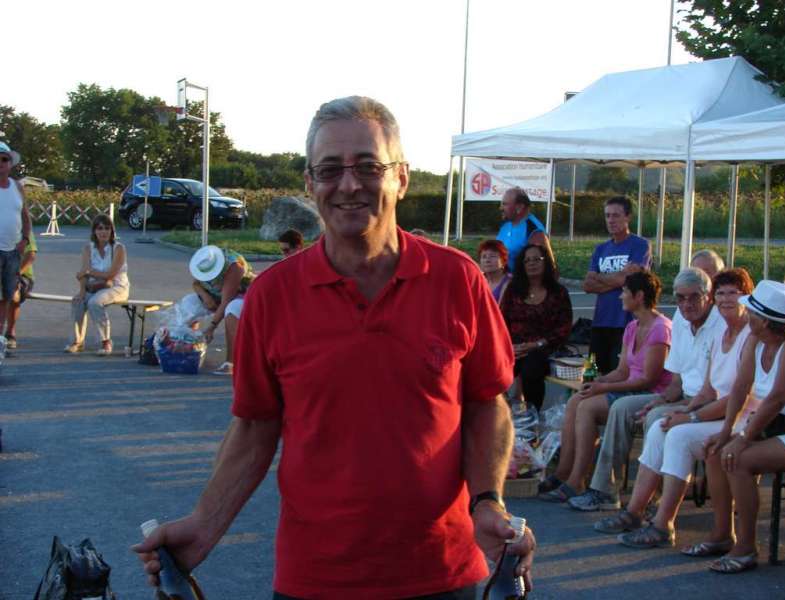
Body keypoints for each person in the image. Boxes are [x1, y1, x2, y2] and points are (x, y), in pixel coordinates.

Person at [135, 96, 535, 598]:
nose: (349, 184)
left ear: (402, 178)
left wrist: (489, 503)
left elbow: (485, 404)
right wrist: (205, 524)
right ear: (310, 183)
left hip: (442, 571)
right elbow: (256, 427)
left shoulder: (458, 280)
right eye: (329, 170)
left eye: (369, 166)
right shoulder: (272, 297)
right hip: (316, 577)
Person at [592, 269, 754, 548]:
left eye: (734, 294)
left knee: (676, 434)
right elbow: (707, 389)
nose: (726, 299)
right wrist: (676, 409)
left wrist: (689, 416)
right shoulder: (721, 334)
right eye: (722, 293)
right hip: (715, 409)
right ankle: (634, 511)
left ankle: (663, 523)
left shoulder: (749, 335)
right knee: (660, 426)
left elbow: (740, 398)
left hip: (743, 418)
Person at [567, 265, 724, 512]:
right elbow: (675, 381)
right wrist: (599, 384)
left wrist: (663, 402)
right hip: (676, 396)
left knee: (648, 417)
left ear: (708, 297)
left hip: (698, 401)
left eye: (694, 297)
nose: (686, 304)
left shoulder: (682, 327)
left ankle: (653, 498)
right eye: (681, 297)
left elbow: (650, 380)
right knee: (591, 402)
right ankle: (600, 489)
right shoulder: (677, 322)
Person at [539, 271, 671, 502]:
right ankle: (564, 473)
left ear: (639, 296)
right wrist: (597, 382)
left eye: (624, 292)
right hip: (631, 386)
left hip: (651, 394)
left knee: (587, 408)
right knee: (575, 400)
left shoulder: (660, 328)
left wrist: (603, 389)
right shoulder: (632, 327)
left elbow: (648, 379)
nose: (620, 297)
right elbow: (622, 371)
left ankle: (577, 480)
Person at [702, 280, 785, 574]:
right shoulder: (756, 340)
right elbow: (741, 386)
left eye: (751, 311)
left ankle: (745, 548)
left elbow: (777, 398)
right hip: (777, 425)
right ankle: (722, 535)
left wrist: (743, 438)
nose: (745, 313)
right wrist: (725, 431)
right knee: (714, 451)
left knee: (739, 460)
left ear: (766, 320)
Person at [583, 196, 651, 374]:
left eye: (616, 215)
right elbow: (588, 285)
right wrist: (619, 278)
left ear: (627, 217)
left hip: (626, 322)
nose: (611, 220)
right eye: (607, 216)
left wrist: (599, 276)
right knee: (595, 374)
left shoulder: (640, 245)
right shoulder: (601, 249)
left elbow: (628, 281)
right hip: (601, 321)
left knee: (619, 374)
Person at [500, 243, 572, 411]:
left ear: (546, 262)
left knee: (531, 370)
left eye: (537, 259)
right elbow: (501, 322)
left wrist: (537, 344)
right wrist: (509, 346)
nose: (532, 263)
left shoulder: (558, 292)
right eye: (527, 260)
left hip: (545, 347)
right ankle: (499, 414)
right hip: (514, 347)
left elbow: (564, 328)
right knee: (496, 368)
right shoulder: (513, 290)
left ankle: (533, 417)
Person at [64, 214, 129, 355]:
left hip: (117, 287)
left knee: (94, 302)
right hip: (95, 286)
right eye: (100, 228)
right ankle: (77, 342)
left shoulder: (119, 248)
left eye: (107, 228)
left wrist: (89, 272)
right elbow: (83, 274)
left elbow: (111, 275)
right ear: (94, 231)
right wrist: (81, 291)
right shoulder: (88, 248)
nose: (103, 232)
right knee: (77, 302)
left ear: (112, 231)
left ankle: (105, 342)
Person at [189, 245, 255, 376]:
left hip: (242, 296)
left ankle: (231, 362)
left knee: (231, 310)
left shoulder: (235, 267)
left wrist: (211, 327)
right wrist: (205, 296)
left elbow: (226, 302)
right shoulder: (205, 262)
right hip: (215, 297)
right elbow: (196, 284)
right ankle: (187, 349)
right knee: (188, 304)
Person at [0, 142, 32, 341]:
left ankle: (1, 338)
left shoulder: (17, 187)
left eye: (4, 159)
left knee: (6, 296)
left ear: (11, 163)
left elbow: (26, 216)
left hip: (13, 252)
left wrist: (26, 239)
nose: (1, 163)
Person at [496, 186, 546, 272]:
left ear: (519, 207)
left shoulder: (534, 230)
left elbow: (544, 268)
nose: (501, 208)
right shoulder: (506, 224)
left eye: (505, 204)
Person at [3, 232, 37, 349]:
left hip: (21, 274)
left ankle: (10, 333)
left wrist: (15, 275)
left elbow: (30, 256)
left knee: (13, 293)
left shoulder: (22, 229)